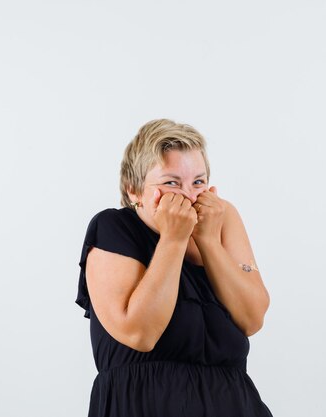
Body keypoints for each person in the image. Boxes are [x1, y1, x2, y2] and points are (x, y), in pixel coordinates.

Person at [75, 118, 274, 416]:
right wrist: (173, 239)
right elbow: (140, 333)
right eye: (171, 183)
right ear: (134, 190)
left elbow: (252, 318)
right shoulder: (112, 227)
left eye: (198, 182)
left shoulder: (221, 219)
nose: (189, 196)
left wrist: (208, 241)